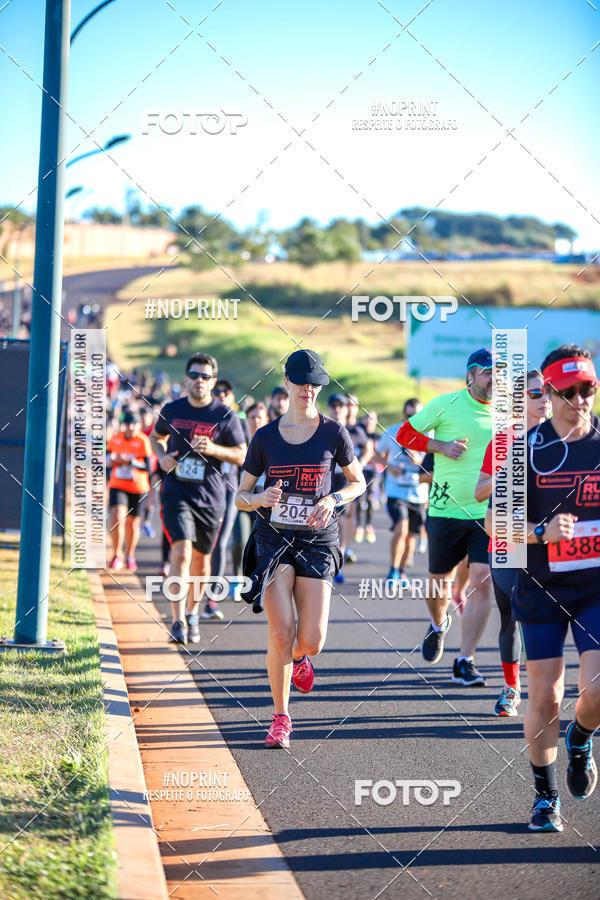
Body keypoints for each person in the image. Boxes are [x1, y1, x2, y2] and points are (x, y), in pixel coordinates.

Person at [486, 345, 600, 832]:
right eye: (569, 391)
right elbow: (493, 521)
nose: (580, 400)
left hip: (595, 587)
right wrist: (538, 533)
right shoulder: (521, 449)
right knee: (546, 698)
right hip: (540, 586)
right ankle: (544, 796)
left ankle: (581, 737)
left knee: (596, 690)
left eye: (588, 389)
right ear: (549, 394)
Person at [235, 350, 366, 748]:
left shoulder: (333, 433)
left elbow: (357, 482)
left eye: (315, 385)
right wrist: (261, 497)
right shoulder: (265, 437)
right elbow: (240, 496)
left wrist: (334, 500)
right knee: (280, 631)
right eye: (301, 383)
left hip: (317, 539)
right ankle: (280, 718)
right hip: (273, 539)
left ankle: (301, 657)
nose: (308, 390)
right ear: (287, 383)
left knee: (312, 639)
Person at [396, 348, 494, 686]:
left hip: (488, 513)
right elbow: (404, 435)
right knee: (438, 583)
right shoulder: (446, 404)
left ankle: (465, 660)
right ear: (471, 374)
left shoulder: (510, 412)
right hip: (445, 510)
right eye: (487, 371)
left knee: (484, 580)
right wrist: (441, 447)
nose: (494, 377)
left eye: (500, 372)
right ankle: (439, 624)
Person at [150, 354, 247, 643]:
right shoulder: (172, 409)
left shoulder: (226, 415)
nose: (199, 381)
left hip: (210, 496)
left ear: (213, 382)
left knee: (202, 563)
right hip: (177, 491)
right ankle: (177, 620)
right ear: (186, 378)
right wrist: (162, 456)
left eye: (205, 377)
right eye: (194, 376)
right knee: (180, 552)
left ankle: (193, 614)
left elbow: (242, 454)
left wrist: (215, 449)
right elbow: (155, 437)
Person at [475, 370, 549, 716]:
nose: (545, 399)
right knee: (512, 618)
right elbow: (479, 492)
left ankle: (554, 688)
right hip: (508, 544)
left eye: (548, 392)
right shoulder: (502, 442)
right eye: (535, 394)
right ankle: (512, 689)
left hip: (554, 545)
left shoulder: (568, 442)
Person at [207, 380, 250, 619]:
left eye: (225, 392)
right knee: (204, 545)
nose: (221, 395)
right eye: (217, 392)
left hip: (230, 488)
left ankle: (212, 600)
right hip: (206, 488)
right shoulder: (205, 420)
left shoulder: (238, 421)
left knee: (223, 541)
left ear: (232, 395)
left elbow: (244, 457)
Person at [377, 398, 428, 588]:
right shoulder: (392, 432)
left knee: (411, 536)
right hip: (396, 491)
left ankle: (403, 569)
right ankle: (393, 570)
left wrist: (420, 462)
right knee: (401, 528)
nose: (412, 418)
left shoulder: (429, 434)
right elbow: (377, 454)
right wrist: (389, 466)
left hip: (419, 493)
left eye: (417, 415)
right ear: (403, 414)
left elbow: (436, 463)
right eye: (409, 415)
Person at [230, 401, 269, 601]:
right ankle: (237, 579)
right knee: (240, 539)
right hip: (243, 501)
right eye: (252, 417)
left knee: (262, 545)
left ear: (266, 420)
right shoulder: (240, 442)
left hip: (265, 505)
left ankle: (258, 581)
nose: (255, 421)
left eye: (259, 417)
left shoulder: (274, 443)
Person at [107, 411, 152, 572]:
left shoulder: (143, 441)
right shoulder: (116, 439)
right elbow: (106, 459)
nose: (131, 428)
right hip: (118, 484)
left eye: (134, 424)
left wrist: (131, 461)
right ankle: (116, 555)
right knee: (116, 516)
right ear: (123, 425)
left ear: (139, 425)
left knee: (133, 524)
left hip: (138, 487)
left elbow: (148, 468)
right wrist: (112, 461)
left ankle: (129, 555)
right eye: (127, 424)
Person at [343, 394, 373, 564]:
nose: (350, 407)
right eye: (347, 404)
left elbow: (368, 449)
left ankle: (347, 547)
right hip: (333, 476)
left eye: (353, 404)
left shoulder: (358, 429)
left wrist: (359, 464)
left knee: (349, 513)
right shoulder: (335, 423)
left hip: (351, 479)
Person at [356, 410, 379, 543]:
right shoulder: (360, 434)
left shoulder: (377, 437)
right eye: (368, 418)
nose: (369, 421)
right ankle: (359, 526)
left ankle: (369, 526)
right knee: (360, 499)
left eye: (372, 419)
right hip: (361, 470)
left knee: (370, 498)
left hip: (373, 471)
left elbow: (382, 453)